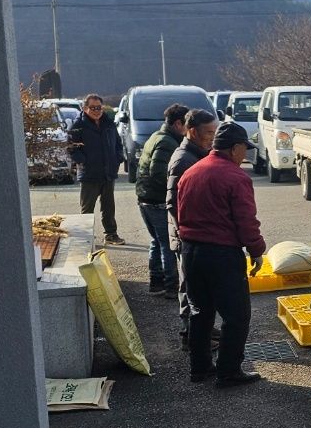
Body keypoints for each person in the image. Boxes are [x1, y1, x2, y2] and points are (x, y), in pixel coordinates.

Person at [176, 121, 265, 387]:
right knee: (236, 315)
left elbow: (180, 213)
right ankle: (228, 371)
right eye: (243, 149)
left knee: (200, 312)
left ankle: (200, 367)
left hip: (190, 251)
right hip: (222, 254)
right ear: (234, 147)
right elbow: (246, 221)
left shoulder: (190, 172)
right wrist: (256, 250)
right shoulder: (235, 177)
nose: (245, 154)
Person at [167, 108, 219, 349]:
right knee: (189, 287)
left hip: (193, 235)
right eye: (208, 132)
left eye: (215, 132)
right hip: (186, 237)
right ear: (191, 131)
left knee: (200, 287)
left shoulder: (197, 154)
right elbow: (172, 203)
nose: (212, 137)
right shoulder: (183, 160)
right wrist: (185, 232)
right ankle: (190, 335)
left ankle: (203, 331)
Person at [136, 103, 187, 295]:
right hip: (156, 200)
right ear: (177, 124)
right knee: (166, 243)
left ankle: (156, 282)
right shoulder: (167, 142)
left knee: (156, 242)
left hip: (145, 198)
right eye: (186, 124)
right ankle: (171, 286)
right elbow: (158, 173)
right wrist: (173, 191)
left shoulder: (157, 136)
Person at [68, 93, 126, 245]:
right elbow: (71, 148)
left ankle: (111, 235)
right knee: (87, 209)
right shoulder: (78, 126)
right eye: (93, 108)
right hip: (89, 174)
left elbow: (118, 144)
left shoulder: (108, 123)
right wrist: (83, 161)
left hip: (108, 173)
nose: (96, 111)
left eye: (99, 107)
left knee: (108, 207)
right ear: (85, 108)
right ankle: (85, 238)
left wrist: (118, 158)